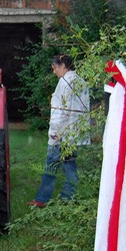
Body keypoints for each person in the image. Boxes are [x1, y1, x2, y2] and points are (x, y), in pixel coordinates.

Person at [28, 54, 90, 207]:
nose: (54, 72)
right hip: (75, 134)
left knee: (51, 166)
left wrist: (54, 131)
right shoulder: (81, 81)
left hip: (61, 134)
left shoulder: (64, 82)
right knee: (70, 166)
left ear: (63, 66)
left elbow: (61, 110)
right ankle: (68, 200)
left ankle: (43, 199)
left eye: (55, 68)